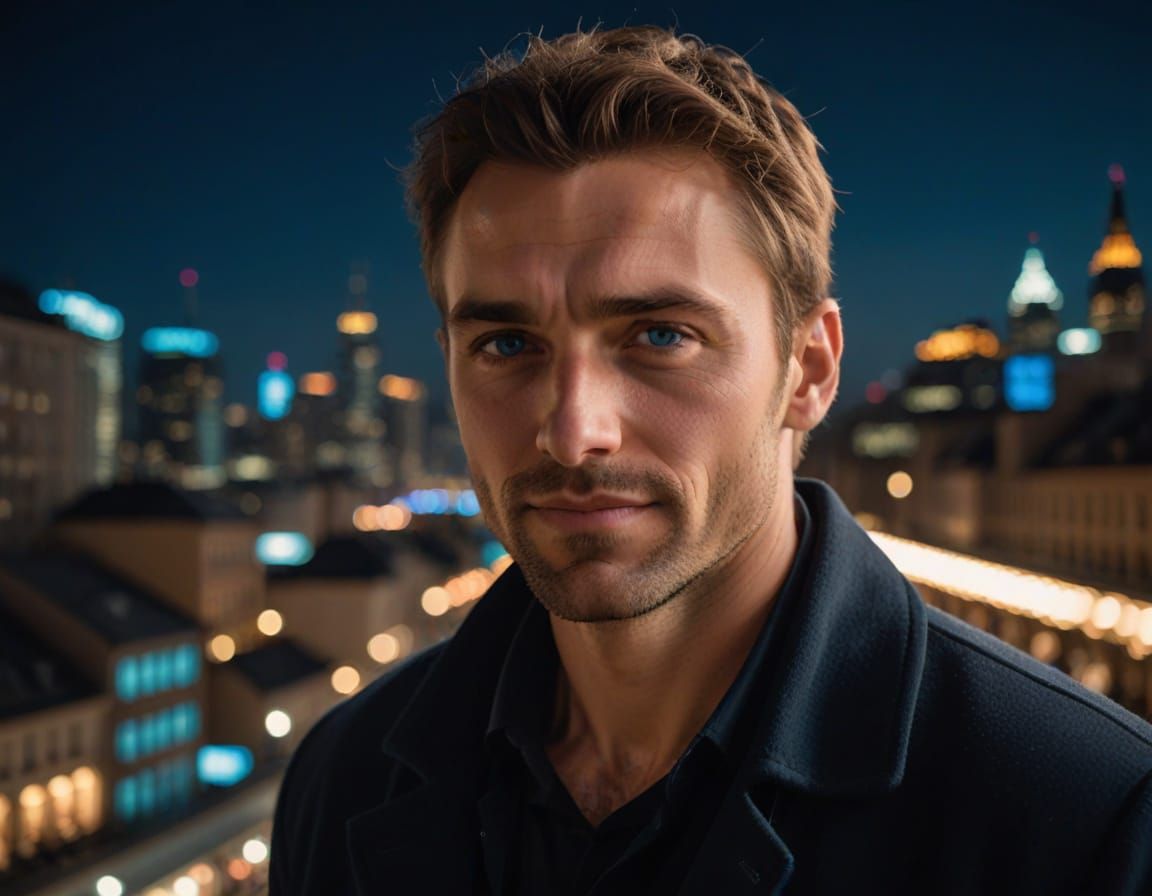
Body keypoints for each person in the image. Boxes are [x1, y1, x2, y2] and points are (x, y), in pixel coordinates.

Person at [270, 26, 1152, 894]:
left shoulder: (1085, 818)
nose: (573, 431)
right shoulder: (342, 775)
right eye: (506, 344)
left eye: (660, 335)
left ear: (808, 369)